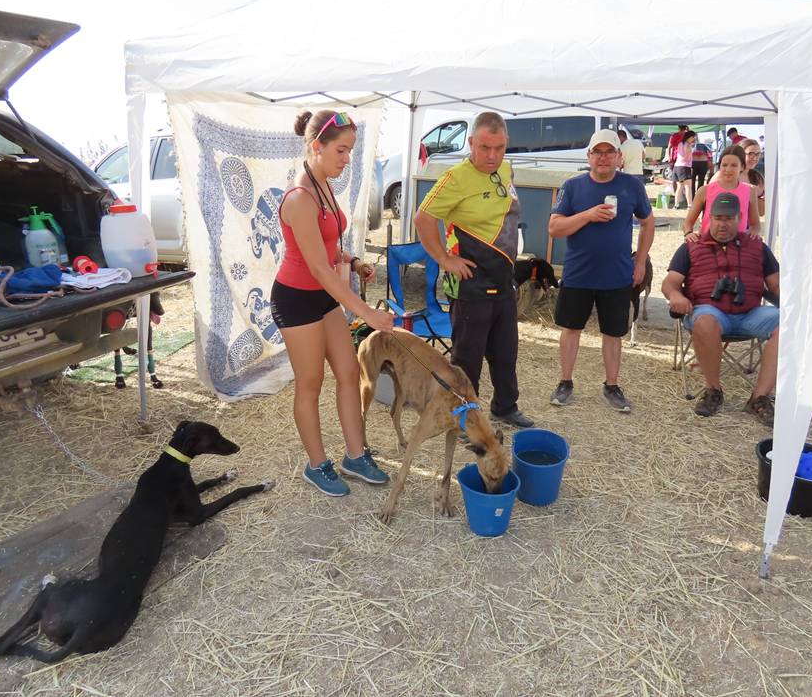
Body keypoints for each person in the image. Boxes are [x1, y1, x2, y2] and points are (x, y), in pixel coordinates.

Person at [272, 110, 396, 497]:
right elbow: (317, 269)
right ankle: (317, 464)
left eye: (350, 151)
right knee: (310, 384)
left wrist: (353, 261)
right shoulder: (300, 198)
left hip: (323, 296)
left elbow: (327, 246)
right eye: (341, 150)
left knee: (348, 371)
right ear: (317, 146)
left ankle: (355, 456)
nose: (347, 159)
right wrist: (367, 312)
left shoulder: (323, 183)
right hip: (296, 300)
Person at [414, 112, 534, 429]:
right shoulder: (455, 178)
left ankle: (505, 407)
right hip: (470, 284)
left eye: (499, 147)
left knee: (505, 353)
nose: (492, 155)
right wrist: (444, 259)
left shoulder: (506, 169)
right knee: (467, 359)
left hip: (503, 279)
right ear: (470, 143)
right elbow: (423, 219)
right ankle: (465, 419)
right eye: (484, 147)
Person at [547, 130, 655, 412]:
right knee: (571, 329)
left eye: (610, 152)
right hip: (578, 273)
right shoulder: (573, 186)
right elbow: (554, 228)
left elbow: (648, 222)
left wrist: (640, 261)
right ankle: (565, 382)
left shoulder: (631, 186)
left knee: (613, 333)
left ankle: (612, 385)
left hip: (617, 274)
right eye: (598, 152)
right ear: (589, 156)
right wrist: (588, 215)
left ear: (619, 157)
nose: (603, 157)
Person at [661, 193, 780, 426]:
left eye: (728, 218)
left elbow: (776, 284)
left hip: (750, 313)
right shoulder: (691, 246)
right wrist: (676, 296)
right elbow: (670, 284)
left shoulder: (757, 246)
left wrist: (797, 303)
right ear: (708, 218)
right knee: (705, 321)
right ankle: (713, 390)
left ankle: (759, 397)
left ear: (740, 219)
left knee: (789, 325)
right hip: (708, 311)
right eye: (717, 218)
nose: (722, 224)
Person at [684, 145, 761, 240]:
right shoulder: (704, 191)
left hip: (737, 245)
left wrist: (752, 235)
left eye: (734, 165)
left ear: (742, 167)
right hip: (708, 244)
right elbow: (688, 223)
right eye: (724, 165)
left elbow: (755, 224)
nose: (728, 169)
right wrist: (688, 233)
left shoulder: (750, 191)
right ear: (719, 166)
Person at [738, 138, 766, 217]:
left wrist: (758, 197)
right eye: (750, 154)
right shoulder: (727, 175)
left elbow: (761, 212)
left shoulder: (758, 178)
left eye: (757, 154)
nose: (755, 158)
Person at [673, 130, 696, 210]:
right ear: (689, 137)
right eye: (693, 137)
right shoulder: (687, 145)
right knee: (688, 187)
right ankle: (690, 205)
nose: (693, 139)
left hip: (677, 166)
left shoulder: (680, 144)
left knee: (679, 186)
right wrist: (689, 153)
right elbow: (686, 157)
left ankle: (676, 205)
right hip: (684, 167)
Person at [668, 124, 688, 201]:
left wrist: (669, 158)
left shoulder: (675, 135)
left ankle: (677, 195)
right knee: (683, 179)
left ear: (678, 128)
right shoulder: (686, 136)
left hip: (676, 159)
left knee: (675, 179)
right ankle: (681, 196)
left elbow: (669, 148)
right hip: (681, 159)